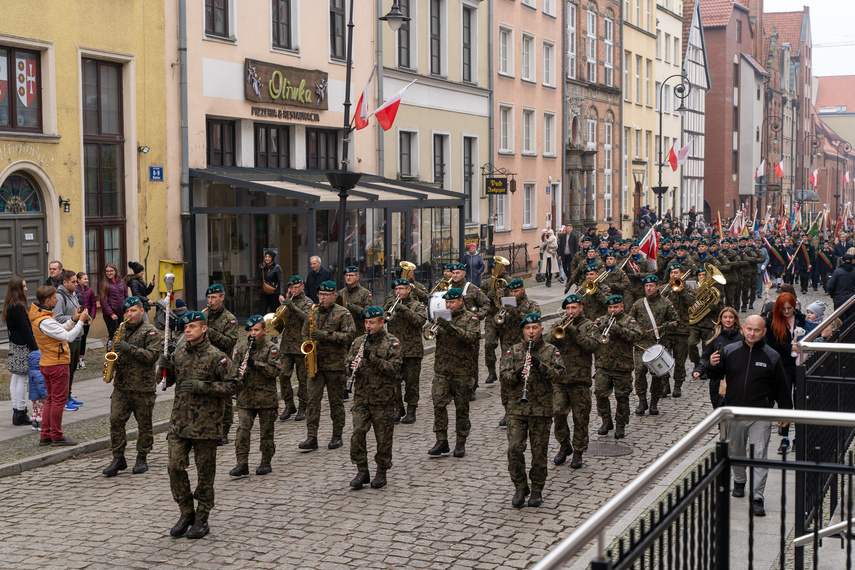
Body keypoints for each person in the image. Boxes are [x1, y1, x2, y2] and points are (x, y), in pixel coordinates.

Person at [159, 311, 240, 539]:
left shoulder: (217, 356)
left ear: (204, 329)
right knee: (174, 466)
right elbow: (167, 381)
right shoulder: (180, 352)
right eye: (185, 327)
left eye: (192, 326)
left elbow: (235, 385)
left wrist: (203, 387)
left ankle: (202, 518)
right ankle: (186, 511)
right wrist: (163, 367)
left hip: (206, 424)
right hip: (180, 422)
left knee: (205, 474)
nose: (187, 330)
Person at [710, 315, 792, 517]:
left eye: (757, 330)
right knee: (736, 450)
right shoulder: (729, 351)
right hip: (735, 412)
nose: (752, 333)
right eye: (749, 329)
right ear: (743, 329)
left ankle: (757, 496)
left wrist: (785, 410)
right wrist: (711, 365)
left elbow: (782, 386)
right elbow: (715, 375)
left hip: (760, 414)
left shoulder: (772, 356)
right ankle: (739, 480)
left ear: (764, 332)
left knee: (759, 454)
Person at [500, 313, 564, 508]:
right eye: (528, 329)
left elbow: (560, 375)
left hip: (541, 410)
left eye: (535, 328)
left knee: (539, 452)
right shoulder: (514, 351)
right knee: (514, 449)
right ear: (523, 330)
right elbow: (503, 375)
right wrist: (517, 375)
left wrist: (541, 366)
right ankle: (520, 486)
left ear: (541, 329)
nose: (531, 332)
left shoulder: (551, 350)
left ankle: (537, 489)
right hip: (517, 408)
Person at [102, 297, 162, 477]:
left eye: (133, 311)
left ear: (142, 311)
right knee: (115, 420)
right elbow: (113, 352)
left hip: (142, 387)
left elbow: (152, 356)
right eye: (127, 312)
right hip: (121, 386)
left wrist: (129, 349)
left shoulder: (150, 332)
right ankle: (118, 457)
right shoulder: (121, 330)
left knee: (144, 424)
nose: (130, 314)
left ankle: (142, 457)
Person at [346, 306, 403, 490]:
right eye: (366, 323)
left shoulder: (392, 343)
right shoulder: (358, 342)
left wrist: (372, 358)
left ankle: (381, 471)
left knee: (383, 438)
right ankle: (362, 470)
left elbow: (394, 369)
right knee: (357, 434)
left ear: (381, 323)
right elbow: (347, 362)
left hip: (383, 399)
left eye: (372, 323)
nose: (368, 326)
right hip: (362, 397)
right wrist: (350, 367)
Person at [298, 280, 356, 451]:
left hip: (335, 365)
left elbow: (350, 335)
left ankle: (337, 435)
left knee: (335, 402)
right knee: (312, 401)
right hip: (315, 364)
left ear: (334, 295)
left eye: (325, 295)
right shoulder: (312, 311)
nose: (321, 297)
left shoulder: (343, 313)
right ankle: (311, 436)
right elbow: (304, 333)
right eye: (320, 294)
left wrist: (326, 335)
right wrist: (307, 345)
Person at [29, 286, 88, 446]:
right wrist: (81, 322)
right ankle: (56, 435)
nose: (57, 300)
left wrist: (74, 320)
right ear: (47, 300)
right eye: (55, 298)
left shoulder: (42, 317)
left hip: (49, 362)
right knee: (59, 401)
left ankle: (46, 435)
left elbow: (59, 330)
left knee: (51, 400)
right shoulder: (45, 320)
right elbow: (68, 337)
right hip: (56, 364)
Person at [545, 294, 599, 469]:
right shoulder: (559, 323)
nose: (570, 311)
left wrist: (574, 332)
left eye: (574, 308)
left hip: (580, 380)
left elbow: (592, 346)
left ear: (581, 308)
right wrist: (557, 332)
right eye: (568, 308)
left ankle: (578, 451)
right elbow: (545, 341)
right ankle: (564, 445)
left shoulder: (589, 326)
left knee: (580, 418)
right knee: (558, 413)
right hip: (560, 379)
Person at [427, 288, 480, 458]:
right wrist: (431, 328)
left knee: (461, 408)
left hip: (462, 371)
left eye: (452, 302)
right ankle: (441, 440)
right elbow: (427, 330)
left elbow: (471, 337)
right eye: (447, 302)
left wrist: (449, 328)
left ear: (460, 301)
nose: (449, 305)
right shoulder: (441, 315)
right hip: (442, 369)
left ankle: (460, 442)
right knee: (438, 404)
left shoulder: (471, 318)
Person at [229, 315, 280, 478]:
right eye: (250, 330)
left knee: (266, 432)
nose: (253, 333)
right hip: (246, 397)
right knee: (242, 430)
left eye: (256, 330)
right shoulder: (243, 348)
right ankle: (242, 463)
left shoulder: (271, 348)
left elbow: (274, 371)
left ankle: (266, 461)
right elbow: (235, 370)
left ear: (264, 330)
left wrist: (255, 364)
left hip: (266, 398)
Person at [593, 295, 642, 439]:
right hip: (603, 365)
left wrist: (619, 330)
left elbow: (637, 335)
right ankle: (606, 420)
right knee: (600, 393)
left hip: (622, 366)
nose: (612, 310)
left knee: (622, 397)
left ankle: (621, 424)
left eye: (615, 307)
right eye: (610, 308)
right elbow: (592, 335)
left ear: (622, 307)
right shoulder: (601, 320)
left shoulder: (629, 321)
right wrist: (600, 330)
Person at [493, 278, 540, 426]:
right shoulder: (505, 304)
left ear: (523, 290)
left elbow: (533, 323)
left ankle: (529, 408)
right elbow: (497, 324)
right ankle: (508, 411)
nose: (513, 294)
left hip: (526, 347)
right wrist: (499, 318)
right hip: (508, 349)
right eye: (511, 291)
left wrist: (515, 312)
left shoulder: (532, 305)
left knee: (528, 378)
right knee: (506, 379)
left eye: (516, 291)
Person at [629, 275, 678, 415]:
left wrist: (669, 325)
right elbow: (629, 321)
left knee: (658, 375)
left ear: (657, 287)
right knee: (639, 372)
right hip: (641, 345)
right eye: (646, 286)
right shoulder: (638, 303)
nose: (648, 288)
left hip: (659, 344)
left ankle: (654, 402)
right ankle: (642, 400)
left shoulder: (666, 303)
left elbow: (676, 321)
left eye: (651, 286)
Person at [764, 292, 805, 455]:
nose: (787, 312)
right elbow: (771, 344)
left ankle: (798, 437)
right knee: (785, 401)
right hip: (783, 366)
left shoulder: (801, 318)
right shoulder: (773, 321)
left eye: (789, 308)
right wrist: (790, 348)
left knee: (800, 401)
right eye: (783, 309)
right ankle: (785, 438)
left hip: (800, 364)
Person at [382, 278, 427, 424]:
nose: (398, 292)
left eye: (401, 289)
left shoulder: (417, 305)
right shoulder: (392, 305)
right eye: (396, 289)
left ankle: (411, 410)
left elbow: (420, 321)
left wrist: (404, 310)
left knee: (411, 383)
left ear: (409, 290)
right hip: (395, 350)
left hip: (412, 351)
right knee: (394, 381)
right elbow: (381, 321)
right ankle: (398, 407)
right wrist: (385, 311)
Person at [202, 284, 239, 446]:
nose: (210, 301)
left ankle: (224, 430)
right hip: (203, 362)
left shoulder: (229, 319)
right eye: (208, 298)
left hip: (222, 362)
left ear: (222, 298)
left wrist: (210, 332)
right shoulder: (203, 315)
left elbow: (229, 342)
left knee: (224, 398)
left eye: (214, 298)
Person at [278, 276, 313, 421]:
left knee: (302, 379)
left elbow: (308, 318)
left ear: (302, 286)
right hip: (286, 345)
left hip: (301, 345)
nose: (294, 290)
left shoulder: (308, 302)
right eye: (291, 288)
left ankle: (303, 407)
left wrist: (292, 307)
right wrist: (282, 307)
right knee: (283, 375)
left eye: (296, 287)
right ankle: (289, 404)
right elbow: (278, 320)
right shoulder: (287, 302)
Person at [693, 307, 743, 409]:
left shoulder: (742, 336)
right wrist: (699, 369)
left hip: (737, 379)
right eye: (725, 317)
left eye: (730, 317)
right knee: (719, 411)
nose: (728, 320)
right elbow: (705, 356)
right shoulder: (714, 336)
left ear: (735, 319)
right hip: (718, 380)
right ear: (721, 319)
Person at [3, 275, 37, 426]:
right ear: (17, 288)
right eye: (23, 286)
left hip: (16, 345)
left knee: (17, 378)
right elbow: (25, 330)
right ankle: (21, 412)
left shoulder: (11, 304)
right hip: (22, 346)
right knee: (21, 380)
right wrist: (35, 348)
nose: (26, 288)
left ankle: (17, 411)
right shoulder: (17, 306)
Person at [661, 263, 695, 398]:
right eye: (671, 273)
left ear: (681, 274)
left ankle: (677, 386)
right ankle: (664, 384)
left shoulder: (687, 288)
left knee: (680, 360)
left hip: (682, 330)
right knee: (664, 359)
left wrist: (681, 290)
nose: (673, 275)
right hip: (667, 330)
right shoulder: (664, 289)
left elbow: (692, 302)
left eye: (676, 273)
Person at [53, 270, 84, 410]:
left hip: (77, 335)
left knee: (72, 370)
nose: (76, 284)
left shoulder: (73, 294)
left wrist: (84, 317)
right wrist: (75, 319)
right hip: (68, 337)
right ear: (65, 283)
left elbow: (75, 312)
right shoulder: (59, 297)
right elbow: (58, 318)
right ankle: (64, 399)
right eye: (73, 282)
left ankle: (69, 395)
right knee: (67, 370)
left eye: (76, 281)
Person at [338, 266, 374, 337]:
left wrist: (351, 307)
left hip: (359, 331)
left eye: (351, 275)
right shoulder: (340, 293)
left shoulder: (365, 293)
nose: (348, 277)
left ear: (357, 277)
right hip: (344, 332)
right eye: (346, 275)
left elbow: (368, 313)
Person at [100, 262, 129, 344]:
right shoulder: (103, 283)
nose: (109, 273)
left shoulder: (121, 281)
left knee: (120, 335)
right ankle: (110, 352)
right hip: (110, 315)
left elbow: (126, 296)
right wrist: (111, 314)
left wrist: (125, 309)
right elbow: (103, 301)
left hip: (120, 313)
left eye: (111, 271)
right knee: (113, 336)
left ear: (115, 271)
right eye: (107, 271)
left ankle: (119, 354)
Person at [75, 272, 96, 370]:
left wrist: (92, 317)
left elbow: (93, 304)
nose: (87, 281)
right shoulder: (75, 290)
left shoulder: (90, 290)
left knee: (83, 339)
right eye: (84, 279)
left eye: (87, 279)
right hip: (78, 319)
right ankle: (75, 360)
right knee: (76, 339)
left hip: (87, 319)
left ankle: (81, 359)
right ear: (78, 280)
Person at [827, 253, 855, 321]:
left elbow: (829, 286)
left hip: (839, 299)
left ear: (842, 261)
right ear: (851, 261)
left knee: (839, 321)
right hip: (852, 299)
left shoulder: (837, 272)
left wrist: (833, 295)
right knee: (851, 321)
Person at [257, 249, 284, 315]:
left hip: (274, 293)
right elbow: (261, 279)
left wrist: (281, 294)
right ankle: (262, 325)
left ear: (272, 258)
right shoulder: (261, 267)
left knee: (275, 314)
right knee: (262, 313)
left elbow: (280, 281)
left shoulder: (277, 267)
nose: (267, 258)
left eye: (269, 257)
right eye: (266, 256)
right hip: (264, 293)